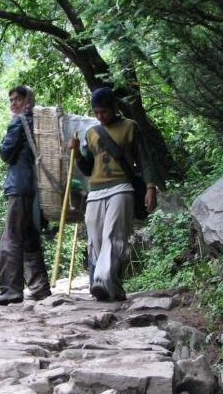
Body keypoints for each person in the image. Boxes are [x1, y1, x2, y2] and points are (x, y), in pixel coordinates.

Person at [69, 87, 158, 301]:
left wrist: (150, 187)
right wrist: (76, 154)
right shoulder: (91, 133)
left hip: (122, 188)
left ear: (115, 108)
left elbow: (144, 159)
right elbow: (88, 168)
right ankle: (114, 287)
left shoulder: (130, 127)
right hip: (96, 191)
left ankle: (100, 280)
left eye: (104, 112)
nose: (100, 116)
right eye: (96, 112)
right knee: (95, 239)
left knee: (113, 236)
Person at [0, 85, 51, 305]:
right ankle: (40, 288)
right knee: (30, 237)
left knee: (11, 237)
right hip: (38, 187)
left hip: (20, 186)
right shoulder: (41, 122)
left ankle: (10, 289)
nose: (13, 103)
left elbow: (5, 152)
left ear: (27, 101)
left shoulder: (19, 121)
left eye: (17, 99)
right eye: (11, 100)